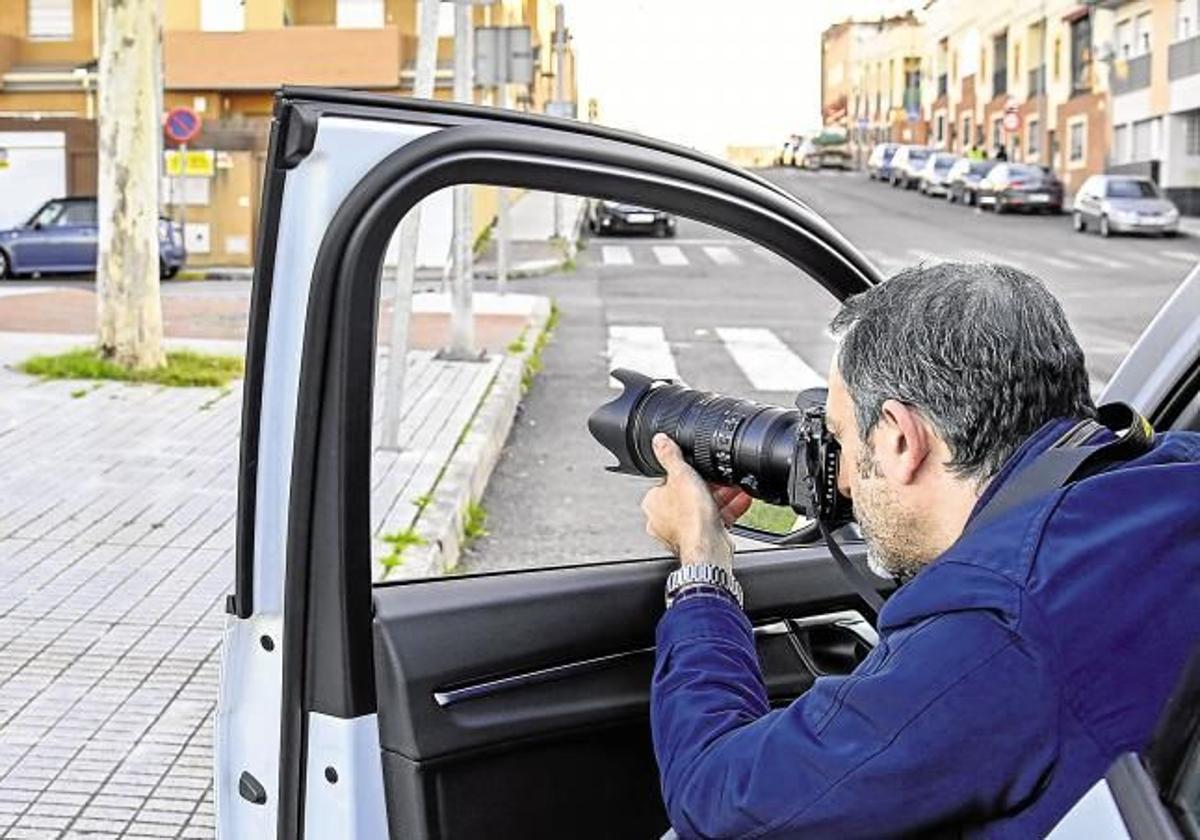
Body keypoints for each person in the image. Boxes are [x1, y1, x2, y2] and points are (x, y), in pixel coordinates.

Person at [641, 263, 1200, 839]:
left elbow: (717, 801)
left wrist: (702, 566)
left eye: (843, 439)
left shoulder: (997, 624)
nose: (843, 483)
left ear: (902, 439)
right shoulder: (1178, 470)